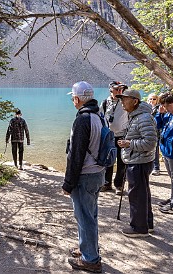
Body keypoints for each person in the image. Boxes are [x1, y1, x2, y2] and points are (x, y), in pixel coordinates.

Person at [63, 81, 105, 273]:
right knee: (91, 215)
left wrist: (68, 183)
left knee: (84, 217)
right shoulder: (99, 115)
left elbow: (76, 155)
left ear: (78, 98)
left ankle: (91, 260)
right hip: (98, 173)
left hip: (85, 176)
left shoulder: (83, 119)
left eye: (73, 97)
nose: (72, 100)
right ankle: (87, 249)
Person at [116, 90, 157, 237]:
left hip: (139, 161)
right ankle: (147, 224)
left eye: (125, 99)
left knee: (137, 195)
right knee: (143, 193)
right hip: (138, 160)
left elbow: (150, 143)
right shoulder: (137, 116)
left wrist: (129, 143)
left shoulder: (143, 118)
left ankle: (139, 228)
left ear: (135, 101)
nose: (122, 102)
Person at [100, 81, 129, 195]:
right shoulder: (104, 103)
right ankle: (107, 184)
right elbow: (100, 118)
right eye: (116, 89)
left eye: (120, 89)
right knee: (108, 160)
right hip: (109, 136)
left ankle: (119, 185)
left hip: (122, 135)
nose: (119, 91)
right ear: (111, 90)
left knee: (122, 161)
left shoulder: (124, 102)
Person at [147, 93, 161, 176]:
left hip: (156, 133)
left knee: (155, 150)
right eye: (150, 99)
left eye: (154, 99)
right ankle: (150, 167)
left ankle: (156, 168)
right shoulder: (144, 109)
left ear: (157, 100)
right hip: (147, 132)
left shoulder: (159, 109)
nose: (152, 101)